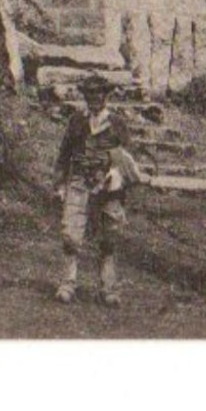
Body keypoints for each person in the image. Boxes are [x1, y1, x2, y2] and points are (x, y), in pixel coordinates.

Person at [53, 74, 145, 305]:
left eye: (98, 95)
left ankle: (109, 289)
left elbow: (129, 156)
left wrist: (115, 173)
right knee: (71, 235)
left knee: (108, 237)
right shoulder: (76, 120)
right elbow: (64, 154)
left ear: (105, 96)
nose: (93, 99)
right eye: (89, 95)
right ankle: (67, 284)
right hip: (79, 182)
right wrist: (59, 183)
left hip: (108, 187)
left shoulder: (116, 123)